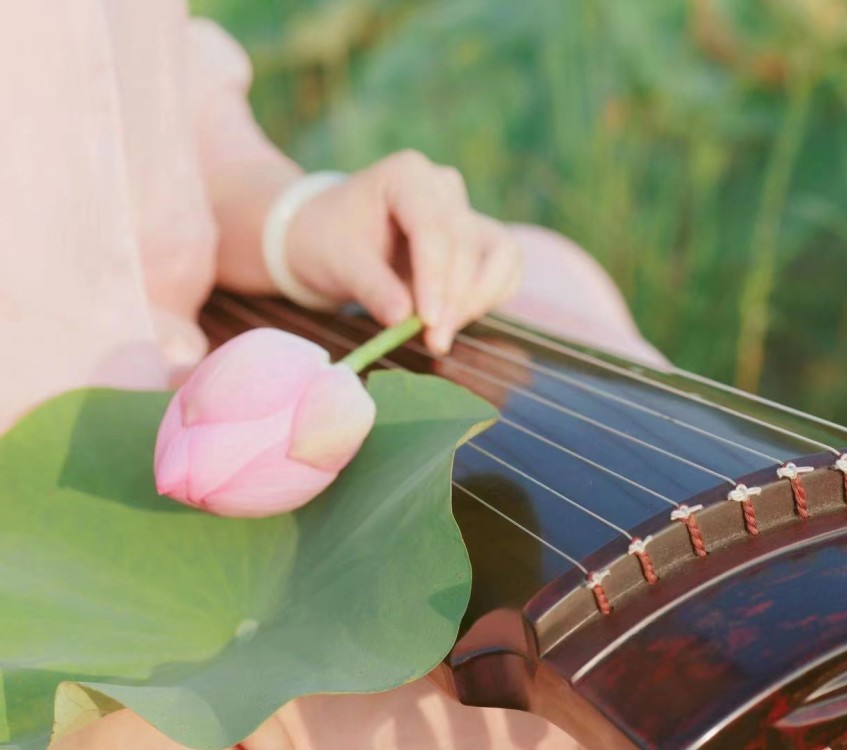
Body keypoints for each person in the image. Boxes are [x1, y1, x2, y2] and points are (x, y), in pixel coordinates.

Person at [1, 2, 659, 748]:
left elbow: (164, 117)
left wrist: (300, 221)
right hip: (39, 581)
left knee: (548, 280)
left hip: (201, 413)